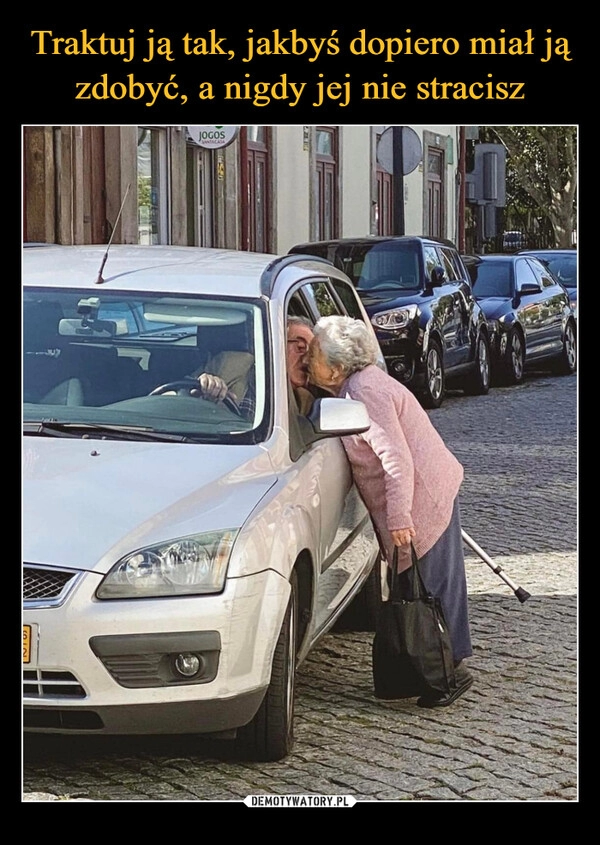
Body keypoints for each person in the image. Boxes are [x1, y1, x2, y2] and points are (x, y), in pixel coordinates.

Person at [307, 314, 474, 708]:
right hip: (422, 496)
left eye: (312, 353)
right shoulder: (352, 388)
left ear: (335, 366)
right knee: (425, 587)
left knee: (429, 590)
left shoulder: (365, 391)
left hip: (422, 500)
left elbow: (396, 459)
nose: (305, 360)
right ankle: (437, 668)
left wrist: (400, 519)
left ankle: (448, 674)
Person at [190, 316, 320, 416]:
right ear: (272, 343)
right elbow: (181, 395)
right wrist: (205, 385)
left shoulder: (307, 403)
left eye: (313, 353)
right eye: (300, 348)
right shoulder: (228, 364)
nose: (307, 360)